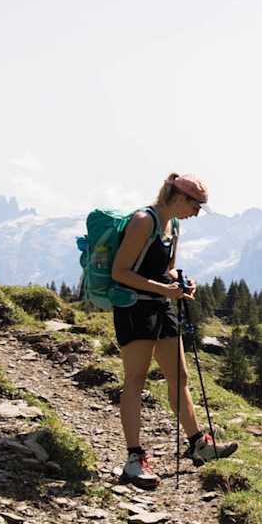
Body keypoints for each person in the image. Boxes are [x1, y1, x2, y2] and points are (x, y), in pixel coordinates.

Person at [110, 173, 237, 488]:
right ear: (180, 197)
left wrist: (180, 282)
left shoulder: (173, 226)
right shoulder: (143, 221)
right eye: (196, 206)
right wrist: (164, 289)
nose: (196, 212)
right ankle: (133, 459)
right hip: (134, 308)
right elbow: (120, 272)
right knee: (136, 380)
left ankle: (199, 444)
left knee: (179, 376)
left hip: (162, 306)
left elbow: (166, 269)